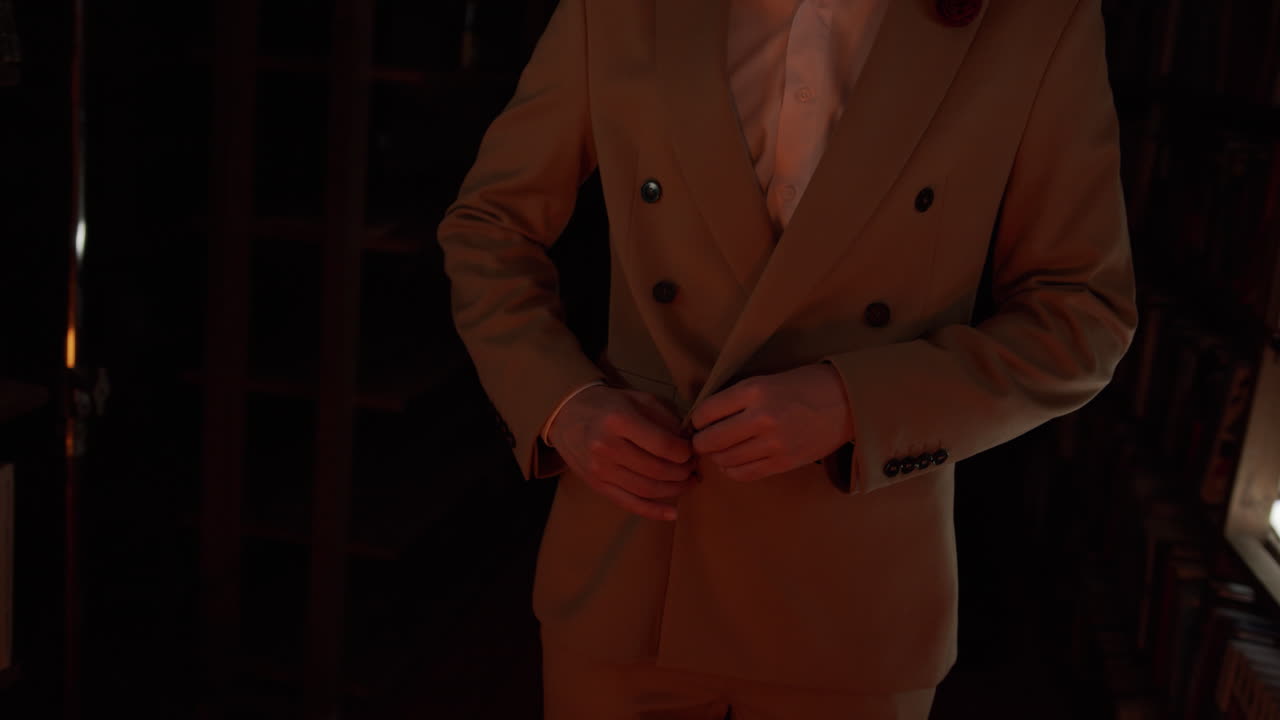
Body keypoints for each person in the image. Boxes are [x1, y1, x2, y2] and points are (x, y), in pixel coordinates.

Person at [436, 0, 1138, 716]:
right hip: (635, 563)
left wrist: (856, 405)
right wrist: (562, 403)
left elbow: (1081, 314)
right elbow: (490, 229)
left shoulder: (1034, 19)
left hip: (854, 596)